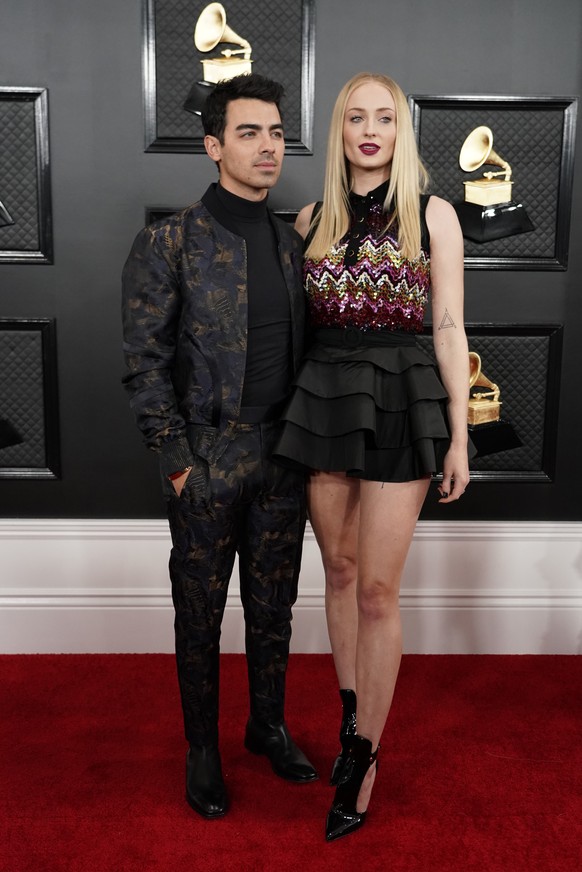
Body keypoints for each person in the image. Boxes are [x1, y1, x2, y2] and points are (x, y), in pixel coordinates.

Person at [273, 72, 471, 841]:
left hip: (402, 394)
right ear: (339, 129)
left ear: (400, 131)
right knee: (342, 572)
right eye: (356, 117)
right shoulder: (310, 219)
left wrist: (459, 432)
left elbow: (449, 325)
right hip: (324, 394)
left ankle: (365, 753)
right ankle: (355, 708)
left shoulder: (434, 214)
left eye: (384, 118)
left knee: (379, 591)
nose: (369, 130)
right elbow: (289, 331)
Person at [121, 73, 318, 820]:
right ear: (213, 146)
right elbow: (143, 361)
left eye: (274, 132)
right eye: (248, 133)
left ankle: (266, 725)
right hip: (205, 457)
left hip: (282, 457)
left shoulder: (294, 239)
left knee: (276, 608)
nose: (267, 147)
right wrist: (177, 463)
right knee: (198, 615)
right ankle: (201, 749)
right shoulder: (169, 241)